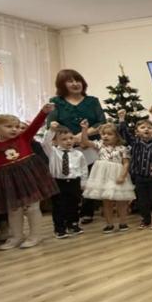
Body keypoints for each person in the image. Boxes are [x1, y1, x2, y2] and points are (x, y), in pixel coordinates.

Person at [0, 103, 59, 249]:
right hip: (7, 181)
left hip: (28, 177)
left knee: (32, 208)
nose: (14, 129)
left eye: (16, 126)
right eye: (9, 126)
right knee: (14, 210)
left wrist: (43, 112)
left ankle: (35, 236)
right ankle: (16, 236)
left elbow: (34, 126)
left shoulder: (23, 138)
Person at [47, 69, 106, 224]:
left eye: (77, 80)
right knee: (71, 180)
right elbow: (51, 124)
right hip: (66, 148)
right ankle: (70, 213)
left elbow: (101, 122)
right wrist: (70, 138)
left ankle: (87, 211)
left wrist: (82, 135)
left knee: (90, 178)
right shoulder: (55, 102)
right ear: (62, 84)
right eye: (70, 81)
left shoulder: (92, 101)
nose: (75, 84)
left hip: (90, 146)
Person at [79, 121, 135, 233]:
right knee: (107, 201)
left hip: (117, 175)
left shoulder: (122, 148)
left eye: (109, 134)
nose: (105, 136)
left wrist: (122, 176)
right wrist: (84, 130)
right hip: (103, 177)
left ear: (117, 136)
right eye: (103, 134)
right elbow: (85, 141)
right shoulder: (100, 145)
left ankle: (123, 222)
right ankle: (109, 224)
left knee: (121, 200)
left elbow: (126, 163)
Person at [118, 109, 152, 229]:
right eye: (143, 127)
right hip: (139, 177)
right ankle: (146, 219)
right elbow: (124, 132)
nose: (146, 129)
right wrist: (122, 119)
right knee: (142, 200)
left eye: (149, 128)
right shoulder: (134, 142)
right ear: (136, 131)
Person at [42, 122, 88, 238]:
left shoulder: (78, 154)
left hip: (74, 182)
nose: (68, 141)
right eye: (64, 139)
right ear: (55, 141)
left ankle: (72, 224)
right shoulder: (53, 152)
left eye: (71, 138)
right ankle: (59, 228)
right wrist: (51, 130)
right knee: (59, 206)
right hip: (58, 182)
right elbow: (45, 143)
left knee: (74, 205)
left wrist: (83, 182)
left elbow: (83, 169)